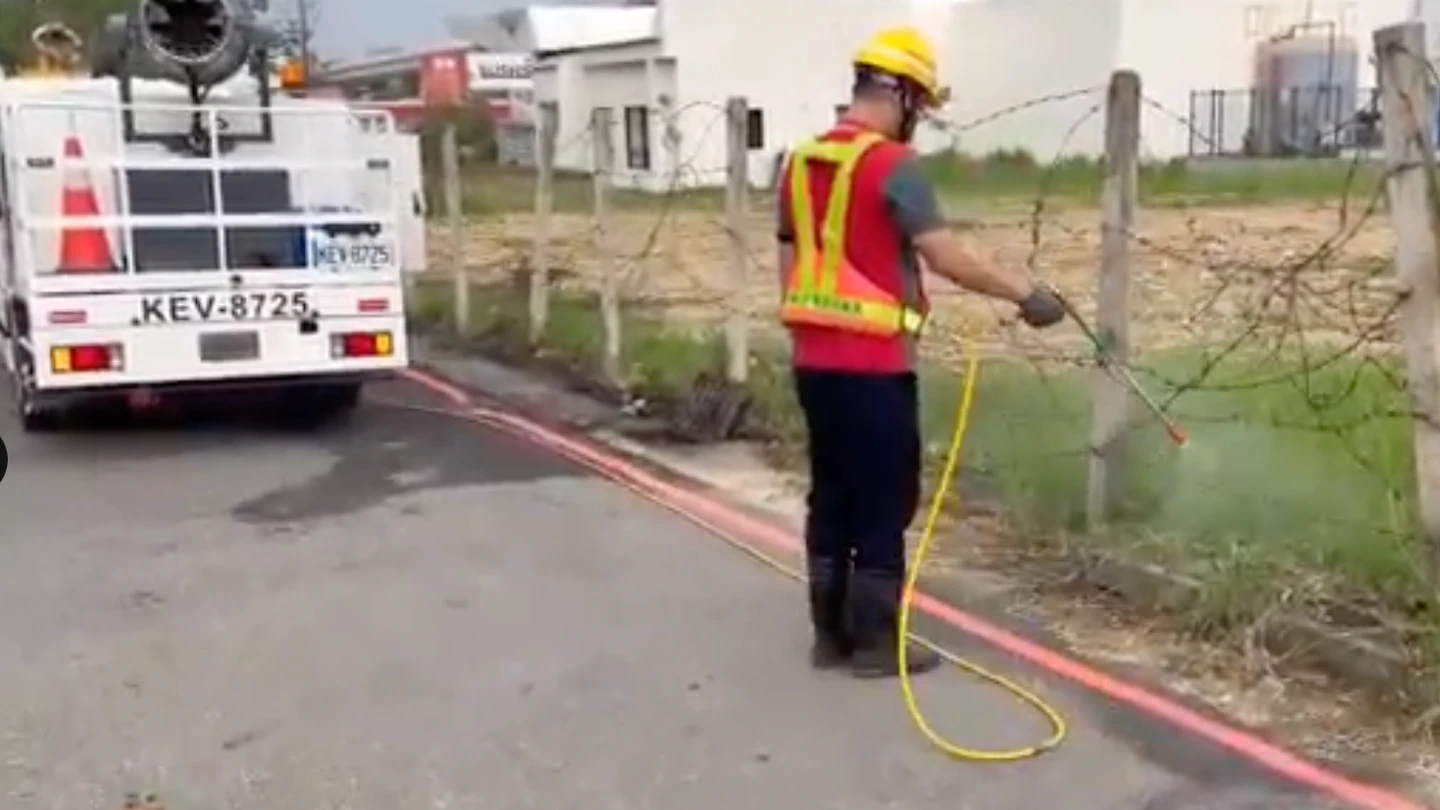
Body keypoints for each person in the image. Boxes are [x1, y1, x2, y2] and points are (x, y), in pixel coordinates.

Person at [775, 26, 1066, 679]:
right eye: (921, 106)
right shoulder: (892, 167)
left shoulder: (798, 161)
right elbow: (945, 255)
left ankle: (829, 637)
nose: (920, 122)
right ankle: (877, 645)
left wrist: (810, 333)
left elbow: (790, 260)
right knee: (882, 500)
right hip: (876, 367)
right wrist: (1025, 293)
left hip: (813, 364)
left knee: (831, 495)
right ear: (901, 93)